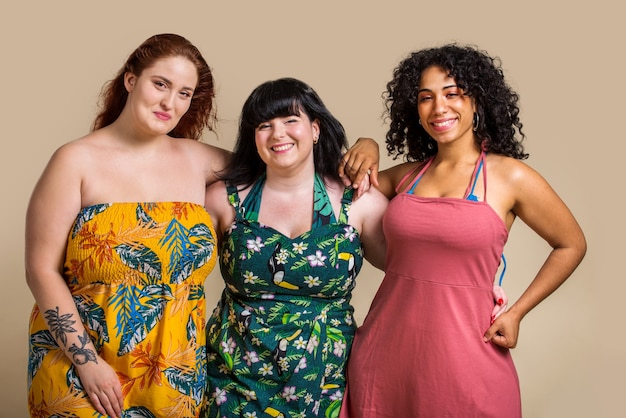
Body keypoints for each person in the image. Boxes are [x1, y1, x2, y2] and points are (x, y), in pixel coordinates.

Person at [338, 44, 587, 417]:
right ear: (414, 109)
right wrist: (367, 145)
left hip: (465, 358)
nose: (439, 107)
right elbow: (345, 186)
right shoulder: (407, 176)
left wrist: (516, 313)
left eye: (453, 93)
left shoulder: (511, 177)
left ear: (478, 101)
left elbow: (571, 244)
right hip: (384, 353)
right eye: (426, 98)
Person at [25, 33, 231, 418]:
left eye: (185, 94)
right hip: (79, 368)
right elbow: (40, 269)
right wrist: (86, 363)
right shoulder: (75, 160)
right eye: (161, 84)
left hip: (174, 374)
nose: (171, 103)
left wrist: (366, 150)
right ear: (131, 80)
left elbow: (286, 164)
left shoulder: (198, 160)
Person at [199, 77, 388, 417]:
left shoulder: (358, 202)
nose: (278, 134)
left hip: (326, 379)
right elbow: (180, 265)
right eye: (264, 125)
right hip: (234, 378)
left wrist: (480, 287)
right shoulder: (222, 200)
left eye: (290, 120)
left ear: (315, 129)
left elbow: (416, 270)